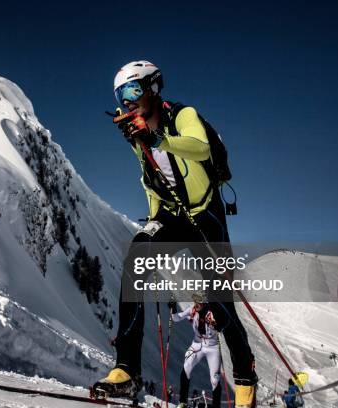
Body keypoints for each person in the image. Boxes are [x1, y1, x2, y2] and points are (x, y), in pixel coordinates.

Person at [92, 61, 257, 407]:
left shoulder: (182, 115)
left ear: (153, 88)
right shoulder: (138, 136)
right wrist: (154, 221)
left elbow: (200, 148)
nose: (127, 101)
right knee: (136, 259)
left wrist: (159, 138)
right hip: (173, 216)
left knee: (220, 302)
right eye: (120, 95)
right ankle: (126, 369)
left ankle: (244, 378)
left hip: (205, 214)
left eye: (133, 90)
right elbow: (151, 181)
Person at [170, 293, 222, 408]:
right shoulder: (192, 310)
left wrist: (218, 325)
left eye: (198, 301)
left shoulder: (212, 312)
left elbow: (222, 324)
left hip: (212, 347)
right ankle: (182, 402)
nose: (196, 303)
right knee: (186, 366)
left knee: (215, 379)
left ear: (204, 302)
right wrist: (173, 309)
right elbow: (176, 318)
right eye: (194, 300)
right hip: (197, 344)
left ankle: (216, 405)